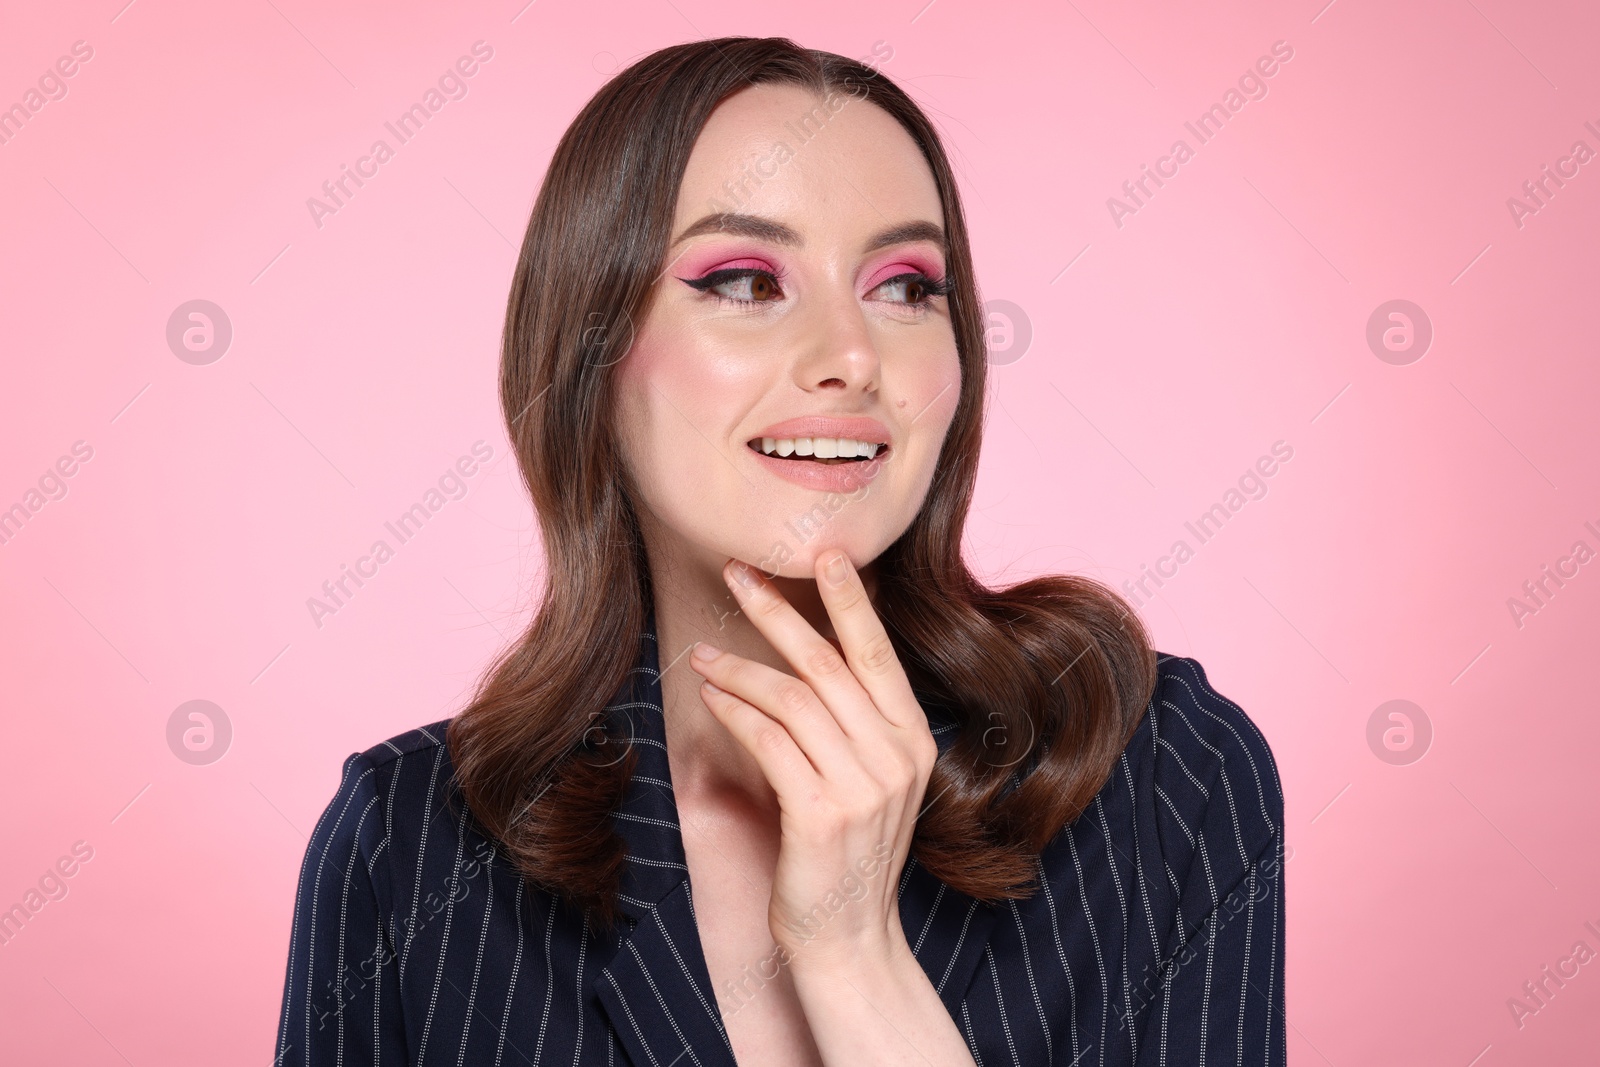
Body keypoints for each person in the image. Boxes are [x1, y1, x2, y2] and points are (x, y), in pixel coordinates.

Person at [273, 36, 1285, 1066]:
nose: (852, 355)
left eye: (903, 285)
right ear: (591, 351)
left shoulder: (1166, 778)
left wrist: (854, 959)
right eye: (747, 280)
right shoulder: (408, 846)